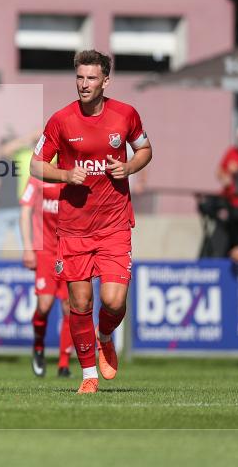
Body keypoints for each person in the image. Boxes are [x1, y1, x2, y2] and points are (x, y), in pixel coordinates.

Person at [30, 49, 152, 394]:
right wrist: (66, 174)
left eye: (91, 78)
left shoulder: (126, 114)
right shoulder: (60, 120)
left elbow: (144, 150)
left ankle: (105, 335)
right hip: (74, 228)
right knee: (79, 303)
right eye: (80, 78)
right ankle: (88, 375)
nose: (84, 84)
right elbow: (36, 165)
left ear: (105, 81)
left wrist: (128, 167)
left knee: (113, 301)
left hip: (114, 224)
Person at [20, 175, 72, 377]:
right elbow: (25, 211)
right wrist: (27, 248)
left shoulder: (77, 174)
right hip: (45, 251)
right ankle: (38, 345)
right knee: (44, 305)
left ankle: (64, 364)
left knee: (69, 307)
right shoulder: (38, 176)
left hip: (70, 251)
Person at [0, 136, 25, 258]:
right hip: (17, 206)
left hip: (3, 208)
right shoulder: (15, 163)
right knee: (21, 237)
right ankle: (26, 261)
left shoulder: (0, 163)